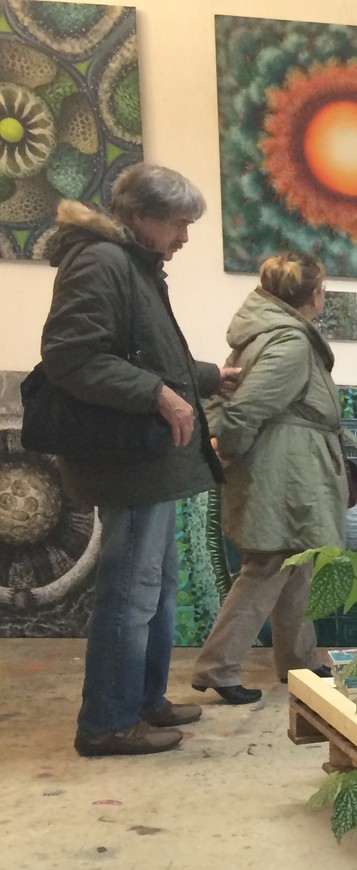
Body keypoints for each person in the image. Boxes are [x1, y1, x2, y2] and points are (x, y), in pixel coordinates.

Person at [40, 164, 241, 758]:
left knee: (156, 587)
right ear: (139, 216)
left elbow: (148, 353)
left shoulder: (133, 264)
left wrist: (207, 377)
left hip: (148, 462)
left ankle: (145, 700)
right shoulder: (100, 262)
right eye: (178, 224)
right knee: (130, 590)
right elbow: (71, 356)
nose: (184, 238)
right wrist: (157, 394)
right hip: (128, 462)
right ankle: (107, 720)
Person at [191, 251, 344, 704]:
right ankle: (217, 667)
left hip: (286, 464)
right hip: (284, 468)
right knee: (269, 564)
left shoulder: (263, 335)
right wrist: (226, 449)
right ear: (313, 296)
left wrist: (223, 444)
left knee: (295, 562)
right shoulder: (290, 342)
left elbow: (227, 399)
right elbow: (245, 408)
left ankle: (299, 659)